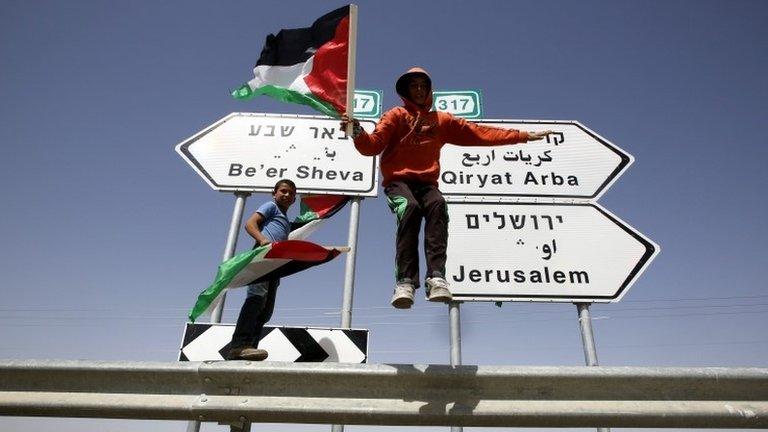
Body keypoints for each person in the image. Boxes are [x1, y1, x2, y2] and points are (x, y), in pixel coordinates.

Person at [341, 67, 553, 309]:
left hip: (428, 183)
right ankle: (405, 282)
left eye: (423, 85)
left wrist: (523, 135)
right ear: (405, 91)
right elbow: (372, 146)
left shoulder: (441, 120)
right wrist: (357, 131)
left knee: (438, 205)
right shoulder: (396, 116)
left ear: (429, 90)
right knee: (409, 208)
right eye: (414, 86)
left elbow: (480, 133)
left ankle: (437, 277)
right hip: (398, 183)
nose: (419, 90)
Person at [228, 179, 297, 360]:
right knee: (256, 298)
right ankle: (239, 345)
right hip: (262, 256)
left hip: (274, 264)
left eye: (291, 193)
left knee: (266, 309)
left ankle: (251, 347)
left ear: (294, 199)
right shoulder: (270, 206)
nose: (287, 195)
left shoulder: (286, 221)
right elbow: (250, 224)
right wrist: (262, 239)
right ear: (274, 193)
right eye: (283, 191)